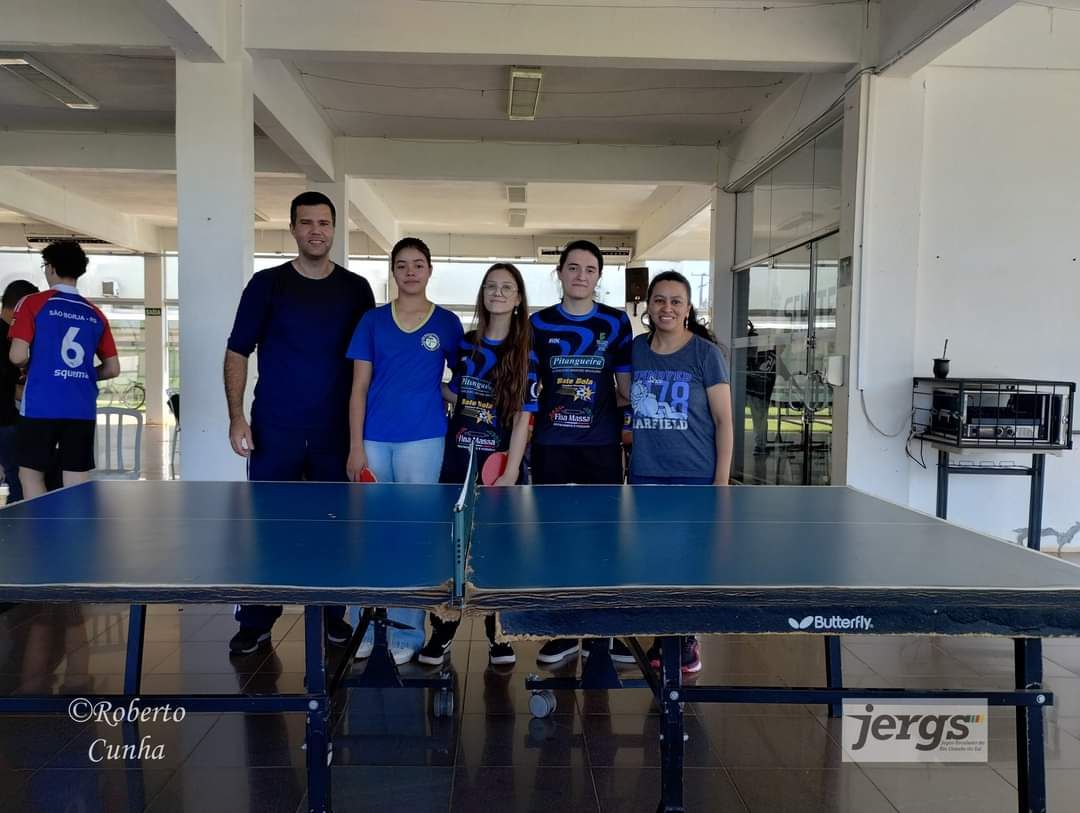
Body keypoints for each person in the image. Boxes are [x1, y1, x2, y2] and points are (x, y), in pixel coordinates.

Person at [224, 191, 375, 656]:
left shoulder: (356, 289)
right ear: (292, 228)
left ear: (334, 229)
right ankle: (257, 620)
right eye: (306, 222)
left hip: (335, 433)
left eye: (323, 223)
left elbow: (368, 364)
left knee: (334, 528)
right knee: (269, 529)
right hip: (276, 429)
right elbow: (237, 351)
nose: (316, 231)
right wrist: (236, 416)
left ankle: (332, 615)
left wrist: (363, 434)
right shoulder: (266, 285)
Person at [346, 237, 464, 664]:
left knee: (413, 536)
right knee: (372, 534)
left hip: (424, 439)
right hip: (374, 440)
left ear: (429, 270)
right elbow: (359, 388)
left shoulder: (447, 323)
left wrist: (449, 395)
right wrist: (355, 447)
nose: (410, 272)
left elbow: (461, 381)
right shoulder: (372, 321)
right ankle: (363, 625)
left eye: (418, 264)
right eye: (402, 265)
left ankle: (407, 631)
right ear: (393, 271)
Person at [417, 262, 538, 668]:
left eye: (506, 287)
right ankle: (443, 629)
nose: (497, 293)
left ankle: (497, 636)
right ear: (483, 295)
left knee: (494, 553)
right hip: (458, 460)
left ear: (518, 299)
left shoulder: (526, 351)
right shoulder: (467, 344)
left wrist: (509, 472)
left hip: (498, 465)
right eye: (491, 286)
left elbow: (522, 418)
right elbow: (457, 393)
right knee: (450, 548)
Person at [529, 240, 633, 665]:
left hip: (601, 447)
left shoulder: (616, 322)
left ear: (598, 277)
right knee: (555, 539)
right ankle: (563, 629)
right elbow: (527, 389)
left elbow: (626, 389)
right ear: (560, 272)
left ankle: (600, 633)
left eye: (590, 269)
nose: (581, 276)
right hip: (551, 447)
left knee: (602, 539)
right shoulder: (538, 323)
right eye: (573, 267)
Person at [629, 270, 733, 673]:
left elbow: (724, 421)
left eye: (676, 301)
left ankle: (687, 636)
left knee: (690, 566)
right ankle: (664, 635)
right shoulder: (637, 349)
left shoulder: (705, 354)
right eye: (659, 300)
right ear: (648, 306)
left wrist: (720, 483)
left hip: (695, 477)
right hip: (647, 475)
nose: (667, 307)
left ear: (688, 308)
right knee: (655, 564)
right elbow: (625, 394)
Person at [8, 242, 120, 499]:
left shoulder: (32, 303)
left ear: (51, 268)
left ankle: (40, 524)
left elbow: (17, 355)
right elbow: (113, 368)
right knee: (76, 477)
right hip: (81, 406)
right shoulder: (95, 313)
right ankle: (76, 525)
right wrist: (83, 374)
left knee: (31, 474)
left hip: (41, 405)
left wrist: (36, 367)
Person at [0, 280, 39, 502]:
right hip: (4, 423)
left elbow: (12, 387)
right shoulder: (9, 341)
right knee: (16, 478)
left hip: (8, 418)